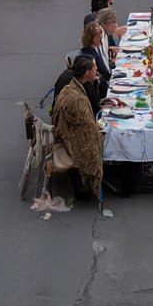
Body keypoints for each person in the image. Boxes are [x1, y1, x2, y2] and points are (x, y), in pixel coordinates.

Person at [51, 56, 104, 199]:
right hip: (74, 141)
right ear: (86, 72)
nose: (96, 70)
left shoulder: (71, 88)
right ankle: (89, 183)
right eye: (94, 68)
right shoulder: (77, 99)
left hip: (68, 132)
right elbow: (89, 129)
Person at [79, 20, 112, 94]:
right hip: (103, 88)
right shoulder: (90, 55)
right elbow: (101, 73)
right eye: (100, 38)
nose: (101, 41)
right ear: (94, 38)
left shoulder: (95, 49)